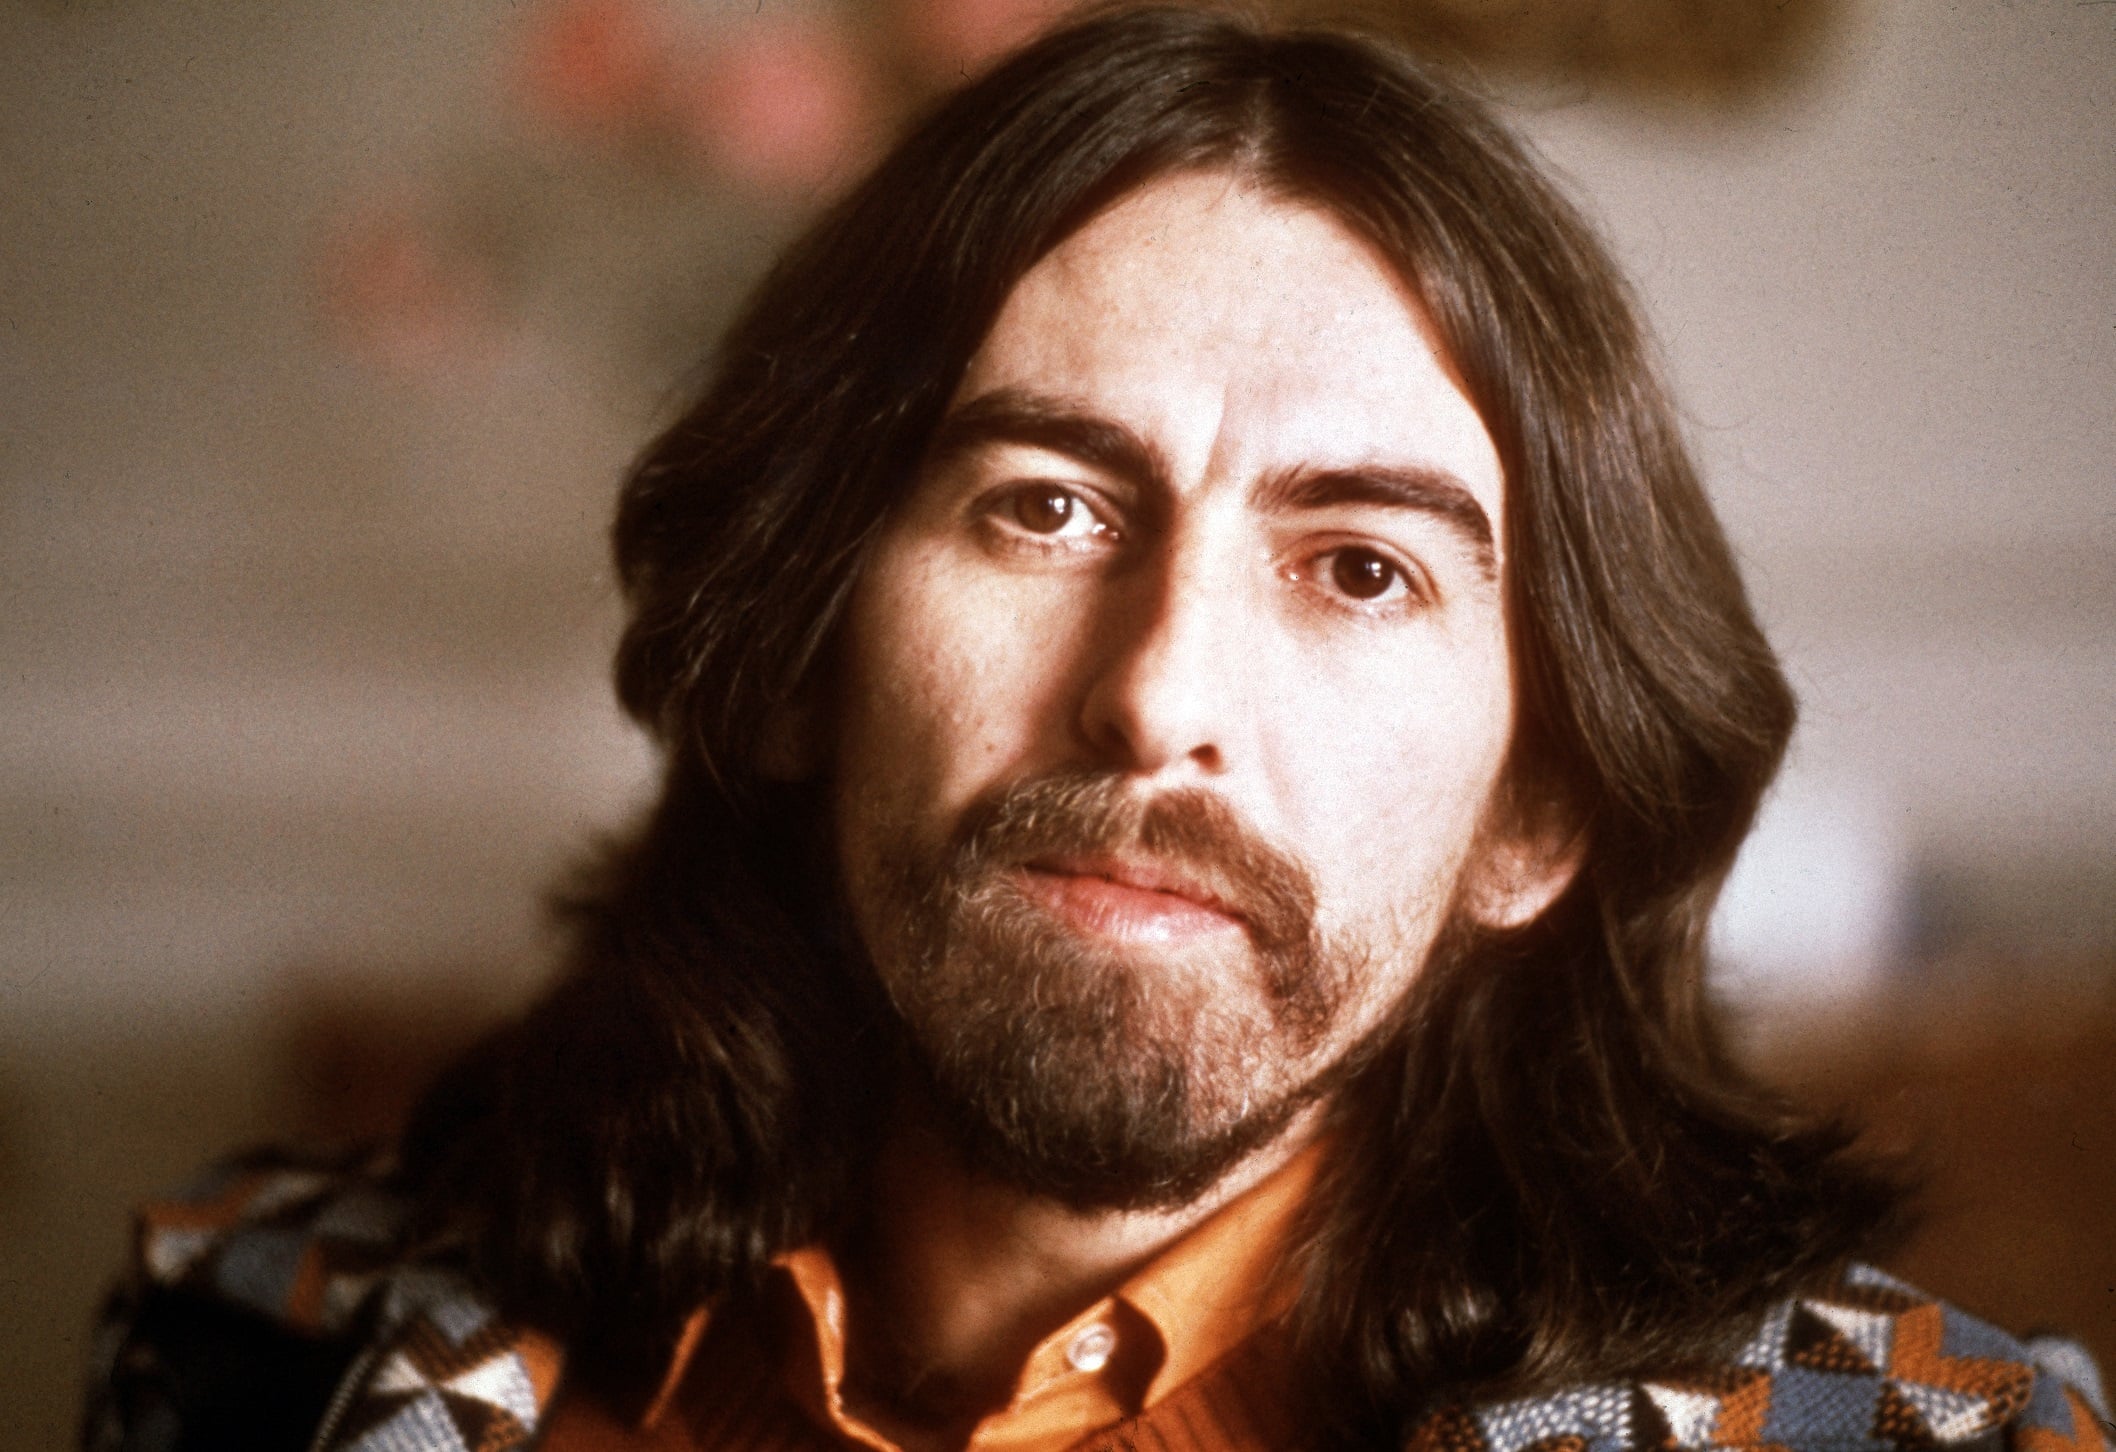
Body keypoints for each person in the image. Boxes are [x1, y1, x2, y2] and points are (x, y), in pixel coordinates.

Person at [85, 8, 2110, 1452]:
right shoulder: (260, 1345)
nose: (1158, 695)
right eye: (1043, 510)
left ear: (1536, 814)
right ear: (791, 658)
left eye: (1360, 569)